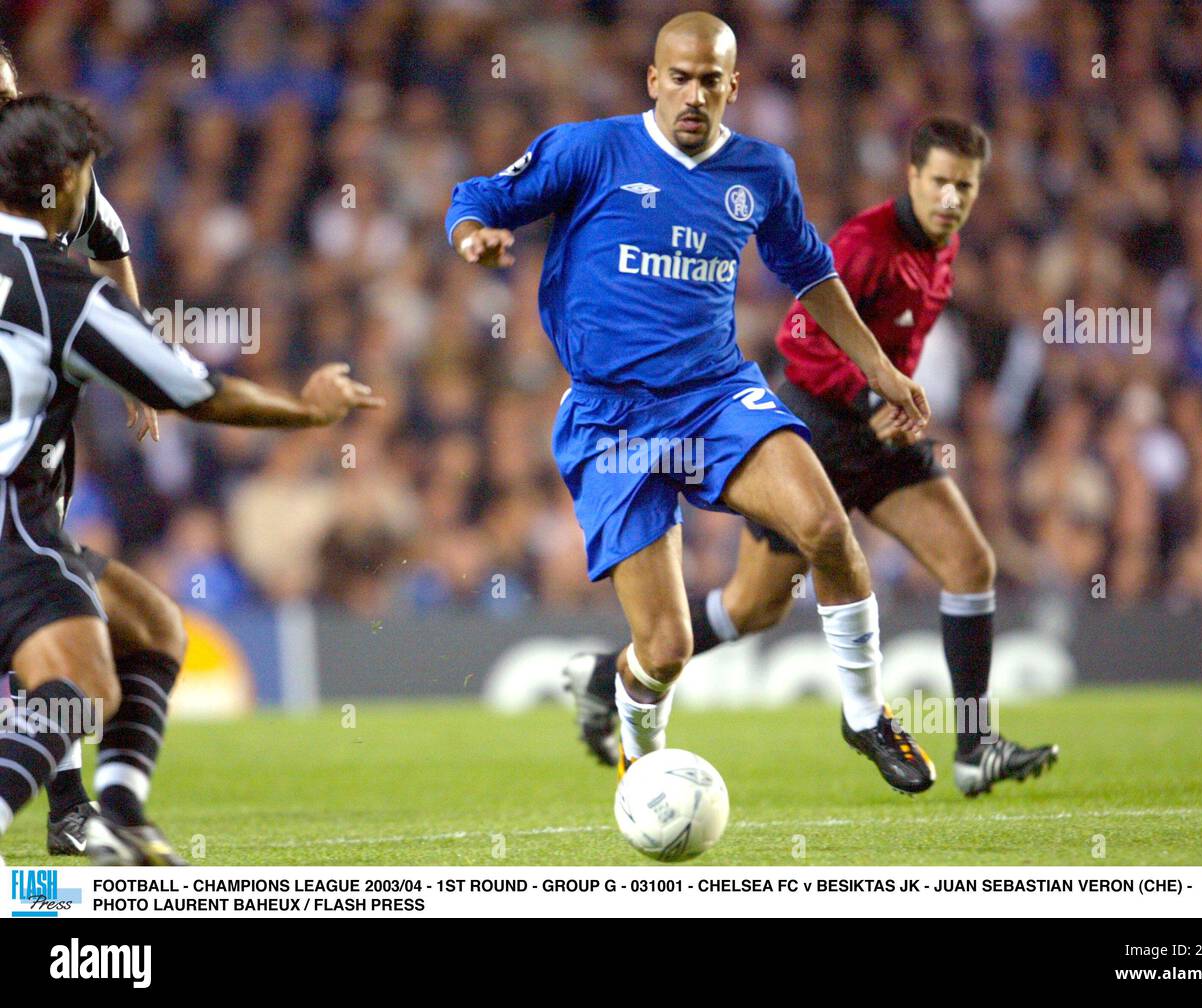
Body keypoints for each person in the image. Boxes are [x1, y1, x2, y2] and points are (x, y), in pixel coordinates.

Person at [448, 12, 937, 793]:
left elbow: (810, 272)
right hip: (611, 420)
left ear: (733, 86)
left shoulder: (761, 172)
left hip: (716, 397)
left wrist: (878, 367)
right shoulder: (591, 149)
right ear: (653, 79)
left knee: (825, 528)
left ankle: (863, 714)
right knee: (667, 649)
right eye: (679, 77)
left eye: (711, 80)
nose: (694, 94)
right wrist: (474, 235)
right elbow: (479, 195)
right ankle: (642, 760)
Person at [567, 115, 1059, 797]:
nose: (951, 199)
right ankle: (610, 671)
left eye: (965, 188)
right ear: (912, 177)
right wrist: (868, 403)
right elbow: (801, 337)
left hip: (881, 439)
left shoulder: (941, 247)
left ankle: (975, 747)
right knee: (751, 609)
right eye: (940, 182)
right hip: (822, 424)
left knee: (971, 562)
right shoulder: (864, 244)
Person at [0, 93, 382, 865]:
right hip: (11, 521)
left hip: (26, 521)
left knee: (152, 625)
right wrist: (306, 413)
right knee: (80, 691)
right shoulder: (52, 285)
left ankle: (118, 815)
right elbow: (196, 391)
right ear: (66, 178)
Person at [0, 38, 187, 855]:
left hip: (32, 431)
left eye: (5, 88)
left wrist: (135, 357)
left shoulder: (43, 173)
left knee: (78, 620)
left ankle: (79, 807)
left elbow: (110, 244)